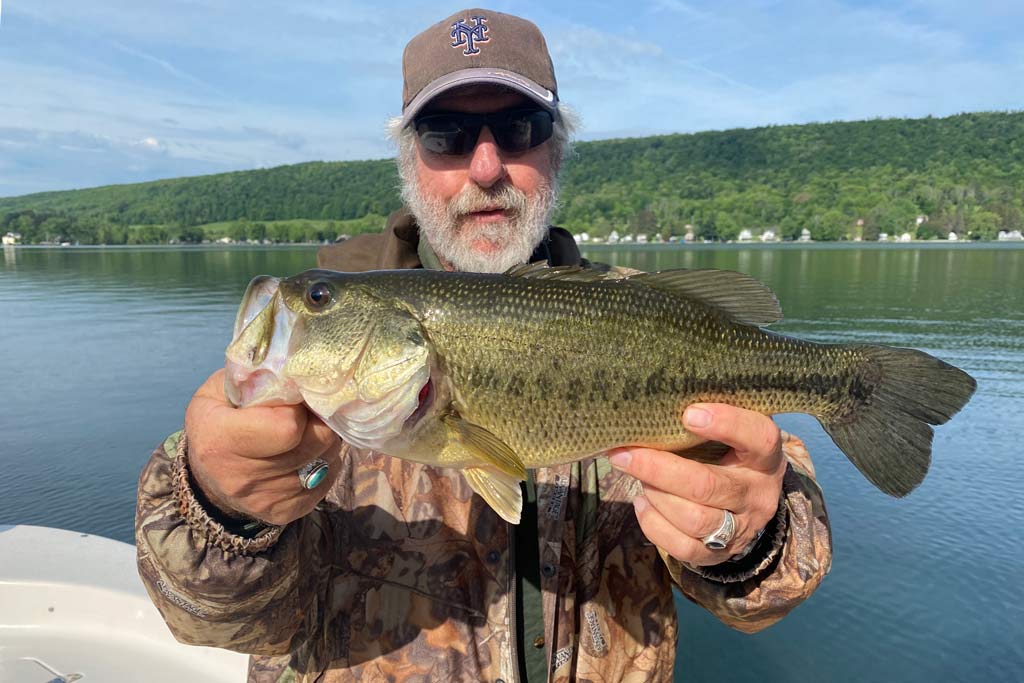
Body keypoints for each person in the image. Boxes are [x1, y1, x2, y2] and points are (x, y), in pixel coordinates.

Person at [136, 8, 831, 682]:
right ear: (410, 157)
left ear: (556, 149)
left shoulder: (640, 310)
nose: (488, 165)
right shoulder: (320, 353)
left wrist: (746, 535)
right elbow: (206, 619)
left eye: (520, 128)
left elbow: (780, 571)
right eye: (447, 133)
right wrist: (223, 505)